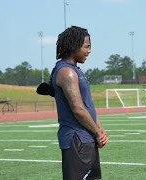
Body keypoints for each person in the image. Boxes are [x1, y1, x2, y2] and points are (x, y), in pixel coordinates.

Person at [51, 26, 108, 180]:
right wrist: (97, 131)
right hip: (76, 140)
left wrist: (99, 129)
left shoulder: (75, 70)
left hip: (87, 138)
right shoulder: (66, 72)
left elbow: (87, 105)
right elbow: (78, 109)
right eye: (86, 47)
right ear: (73, 45)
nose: (89, 51)